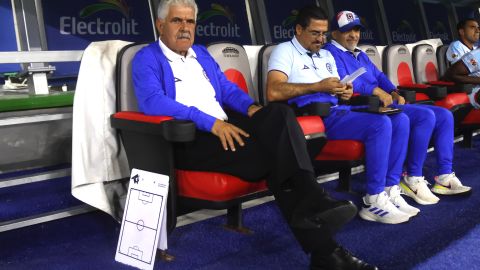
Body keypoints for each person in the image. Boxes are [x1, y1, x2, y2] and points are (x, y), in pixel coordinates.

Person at [132, 1, 376, 269]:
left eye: (190, 22)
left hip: (226, 130)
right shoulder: (147, 58)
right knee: (276, 157)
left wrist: (253, 110)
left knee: (279, 115)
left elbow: (227, 90)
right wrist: (211, 123)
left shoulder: (200, 54)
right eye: (178, 21)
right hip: (191, 139)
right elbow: (153, 102)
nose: (185, 28)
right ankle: (324, 239)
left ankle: (319, 227)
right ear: (160, 25)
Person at [267, 5, 417, 225]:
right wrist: (317, 86)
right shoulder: (284, 51)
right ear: (299, 29)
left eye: (323, 33)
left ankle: (390, 188)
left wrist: (344, 92)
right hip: (314, 116)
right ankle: (373, 200)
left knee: (400, 118)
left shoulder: (326, 54)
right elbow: (273, 91)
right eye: (314, 33)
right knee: (380, 124)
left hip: (339, 110)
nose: (320, 39)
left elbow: (337, 90)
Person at [323, 11, 472, 202]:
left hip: (383, 101)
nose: (354, 35)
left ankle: (444, 176)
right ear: (334, 33)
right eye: (347, 31)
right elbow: (344, 83)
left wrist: (393, 91)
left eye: (357, 30)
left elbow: (379, 76)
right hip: (363, 105)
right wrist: (377, 92)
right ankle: (411, 177)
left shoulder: (359, 54)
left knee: (444, 115)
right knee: (426, 116)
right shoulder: (330, 53)